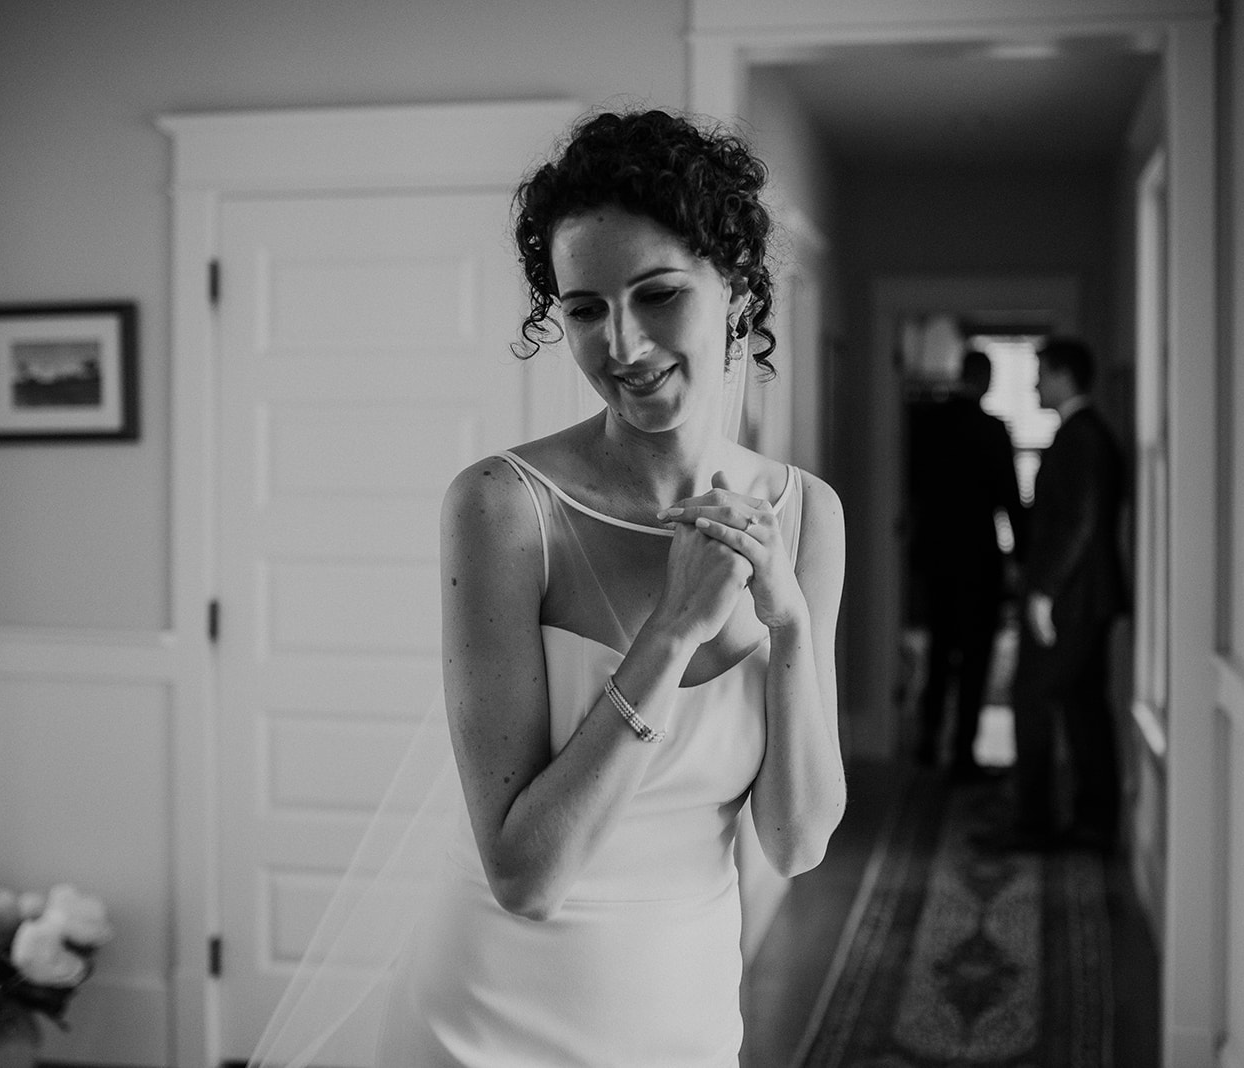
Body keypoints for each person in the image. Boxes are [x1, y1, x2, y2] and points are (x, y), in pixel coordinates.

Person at [254, 109, 848, 1068]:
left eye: (657, 295)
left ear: (735, 291)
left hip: (685, 1018)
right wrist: (675, 631)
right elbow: (525, 874)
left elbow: (798, 840)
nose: (622, 344)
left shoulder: (807, 515)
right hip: (489, 1023)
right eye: (583, 309)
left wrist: (787, 627)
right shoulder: (501, 508)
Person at [1008, 336, 1128, 851]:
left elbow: (1077, 523)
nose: (1035, 382)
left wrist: (1042, 594)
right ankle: (1092, 820)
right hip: (1086, 598)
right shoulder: (1083, 432)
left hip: (1071, 601)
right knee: (1082, 706)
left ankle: (1035, 824)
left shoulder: (1082, 436)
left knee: (1030, 698)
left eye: (1041, 371)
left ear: (1064, 376)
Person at [904, 350, 1025, 777]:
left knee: (939, 652)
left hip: (935, 553)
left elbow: (912, 486)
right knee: (975, 658)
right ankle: (962, 755)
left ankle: (926, 743)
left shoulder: (928, 424)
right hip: (978, 557)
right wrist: (1024, 556)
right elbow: (1009, 498)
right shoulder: (991, 430)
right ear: (985, 380)